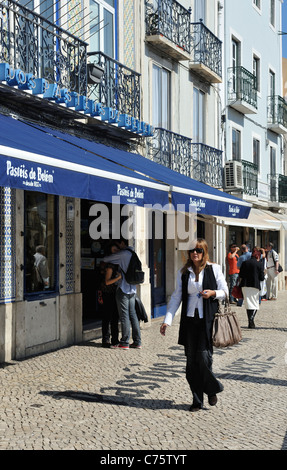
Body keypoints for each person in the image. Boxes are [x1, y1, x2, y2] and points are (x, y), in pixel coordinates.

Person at [160, 238, 228, 412]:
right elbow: (176, 297)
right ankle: (197, 400)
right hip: (189, 321)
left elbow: (225, 291)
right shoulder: (184, 272)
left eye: (199, 251)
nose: (195, 254)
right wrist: (167, 320)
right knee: (191, 363)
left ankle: (211, 388)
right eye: (192, 251)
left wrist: (213, 292)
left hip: (207, 321)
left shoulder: (214, 269)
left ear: (204, 252)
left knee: (204, 359)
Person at [103, 239, 142, 350]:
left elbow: (106, 259)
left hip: (123, 289)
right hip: (132, 288)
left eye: (118, 245)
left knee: (124, 316)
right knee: (133, 315)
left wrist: (115, 255)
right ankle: (137, 341)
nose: (118, 248)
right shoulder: (133, 253)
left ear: (122, 243)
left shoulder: (123, 254)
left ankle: (124, 342)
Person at [100, 242, 121, 348]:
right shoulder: (110, 265)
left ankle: (115, 340)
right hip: (108, 293)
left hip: (115, 293)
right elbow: (107, 282)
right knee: (108, 317)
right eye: (114, 250)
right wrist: (118, 278)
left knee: (114, 317)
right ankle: (106, 339)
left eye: (117, 250)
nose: (116, 252)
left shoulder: (116, 264)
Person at [239, 247, 265, 328]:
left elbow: (241, 275)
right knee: (255, 303)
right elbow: (261, 278)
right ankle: (251, 319)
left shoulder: (244, 263)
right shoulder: (259, 264)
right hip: (254, 285)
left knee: (248, 303)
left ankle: (250, 321)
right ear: (257, 256)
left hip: (245, 285)